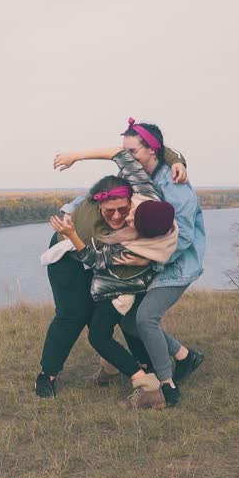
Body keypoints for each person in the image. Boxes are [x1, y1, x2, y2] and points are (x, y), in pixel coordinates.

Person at [52, 119, 206, 408]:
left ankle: (163, 387)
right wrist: (71, 202)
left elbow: (182, 238)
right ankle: (186, 357)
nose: (126, 157)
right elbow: (109, 178)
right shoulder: (137, 174)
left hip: (174, 264)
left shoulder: (175, 184)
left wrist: (140, 257)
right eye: (126, 151)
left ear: (152, 151)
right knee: (130, 320)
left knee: (145, 319)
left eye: (132, 151)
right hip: (147, 263)